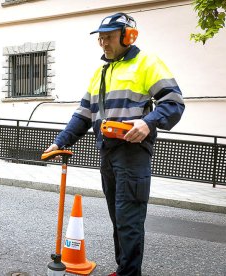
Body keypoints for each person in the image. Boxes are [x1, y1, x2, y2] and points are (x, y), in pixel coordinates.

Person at [44, 13, 185, 276]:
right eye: (100, 38)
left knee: (129, 218)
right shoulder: (101, 72)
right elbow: (84, 115)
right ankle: (124, 270)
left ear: (128, 36)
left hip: (133, 153)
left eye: (108, 37)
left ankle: (129, 274)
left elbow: (174, 103)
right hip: (107, 152)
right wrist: (59, 142)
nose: (103, 42)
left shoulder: (146, 63)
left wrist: (148, 123)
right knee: (117, 217)